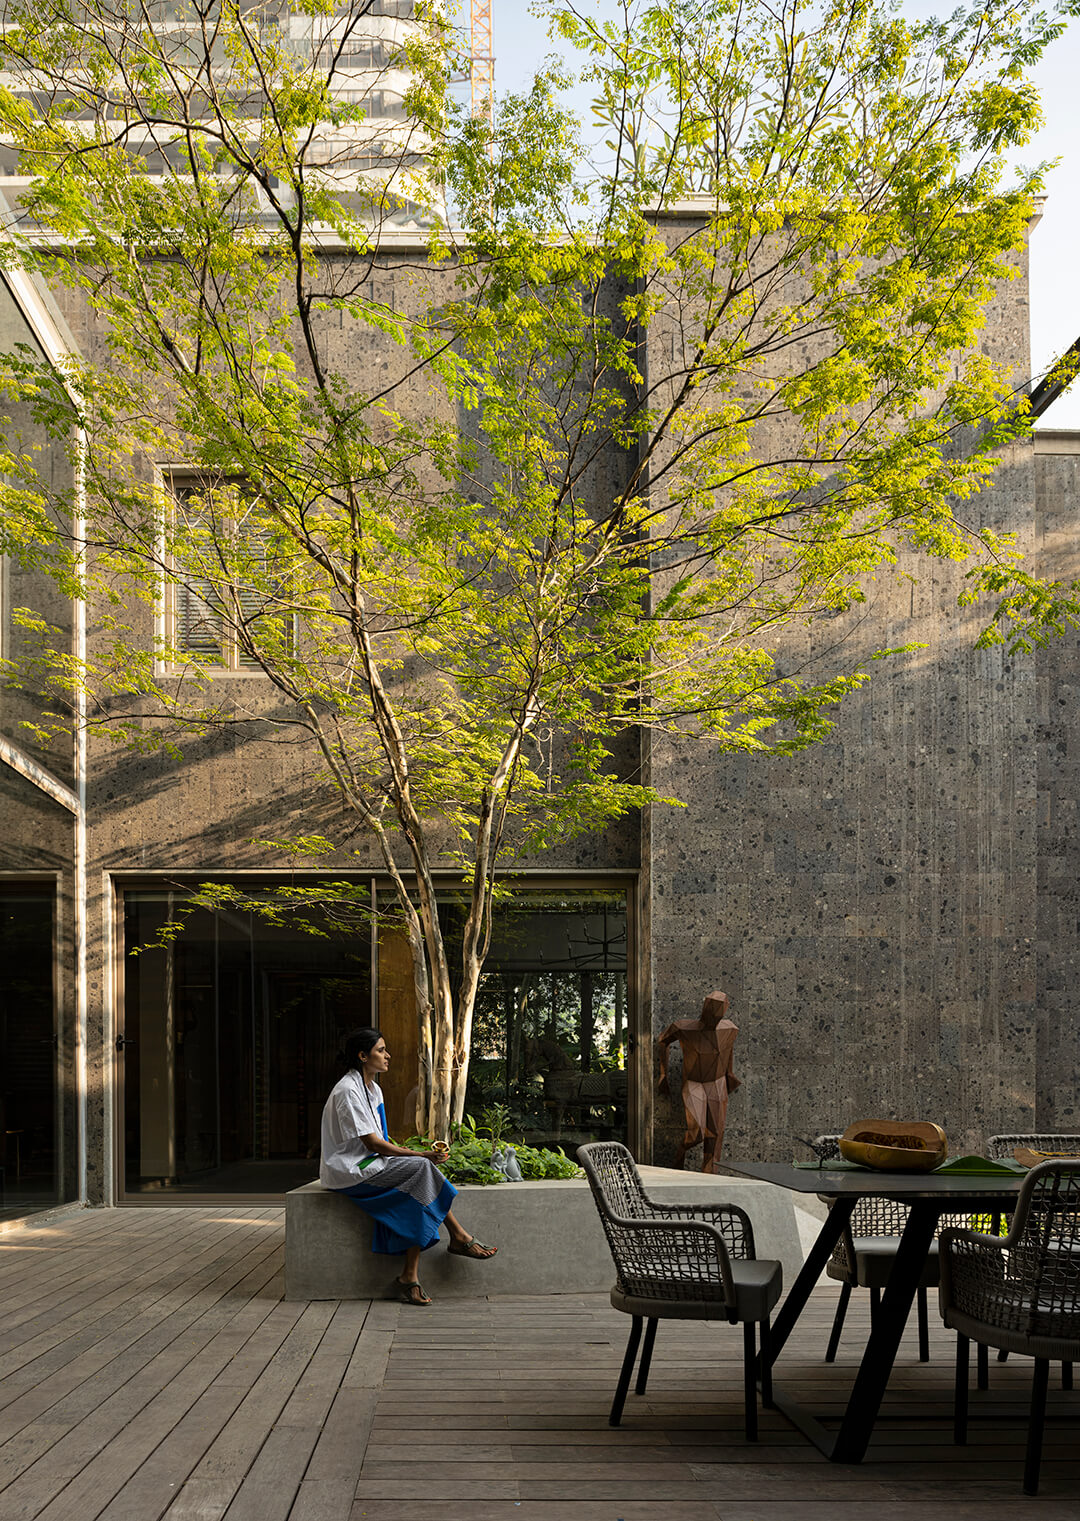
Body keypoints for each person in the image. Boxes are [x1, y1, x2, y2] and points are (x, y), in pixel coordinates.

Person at [320, 1027, 497, 1305]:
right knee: (421, 1171)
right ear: (362, 1056)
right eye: (381, 1050)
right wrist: (420, 1155)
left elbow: (381, 1138)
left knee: (418, 1184)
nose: (388, 1056)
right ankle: (458, 1236)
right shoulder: (347, 1091)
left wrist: (414, 1155)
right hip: (349, 1171)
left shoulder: (373, 1088)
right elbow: (374, 1145)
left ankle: (411, 1276)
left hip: (371, 1164)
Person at [657, 989, 741, 1173]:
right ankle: (679, 1158)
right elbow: (663, 1040)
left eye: (719, 1011)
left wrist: (730, 1073)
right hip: (694, 1083)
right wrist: (663, 1073)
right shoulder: (684, 1028)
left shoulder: (730, 1029)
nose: (714, 1015)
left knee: (715, 1138)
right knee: (697, 1134)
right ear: (704, 1008)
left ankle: (709, 1177)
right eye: (711, 1010)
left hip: (717, 1084)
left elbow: (727, 1048)